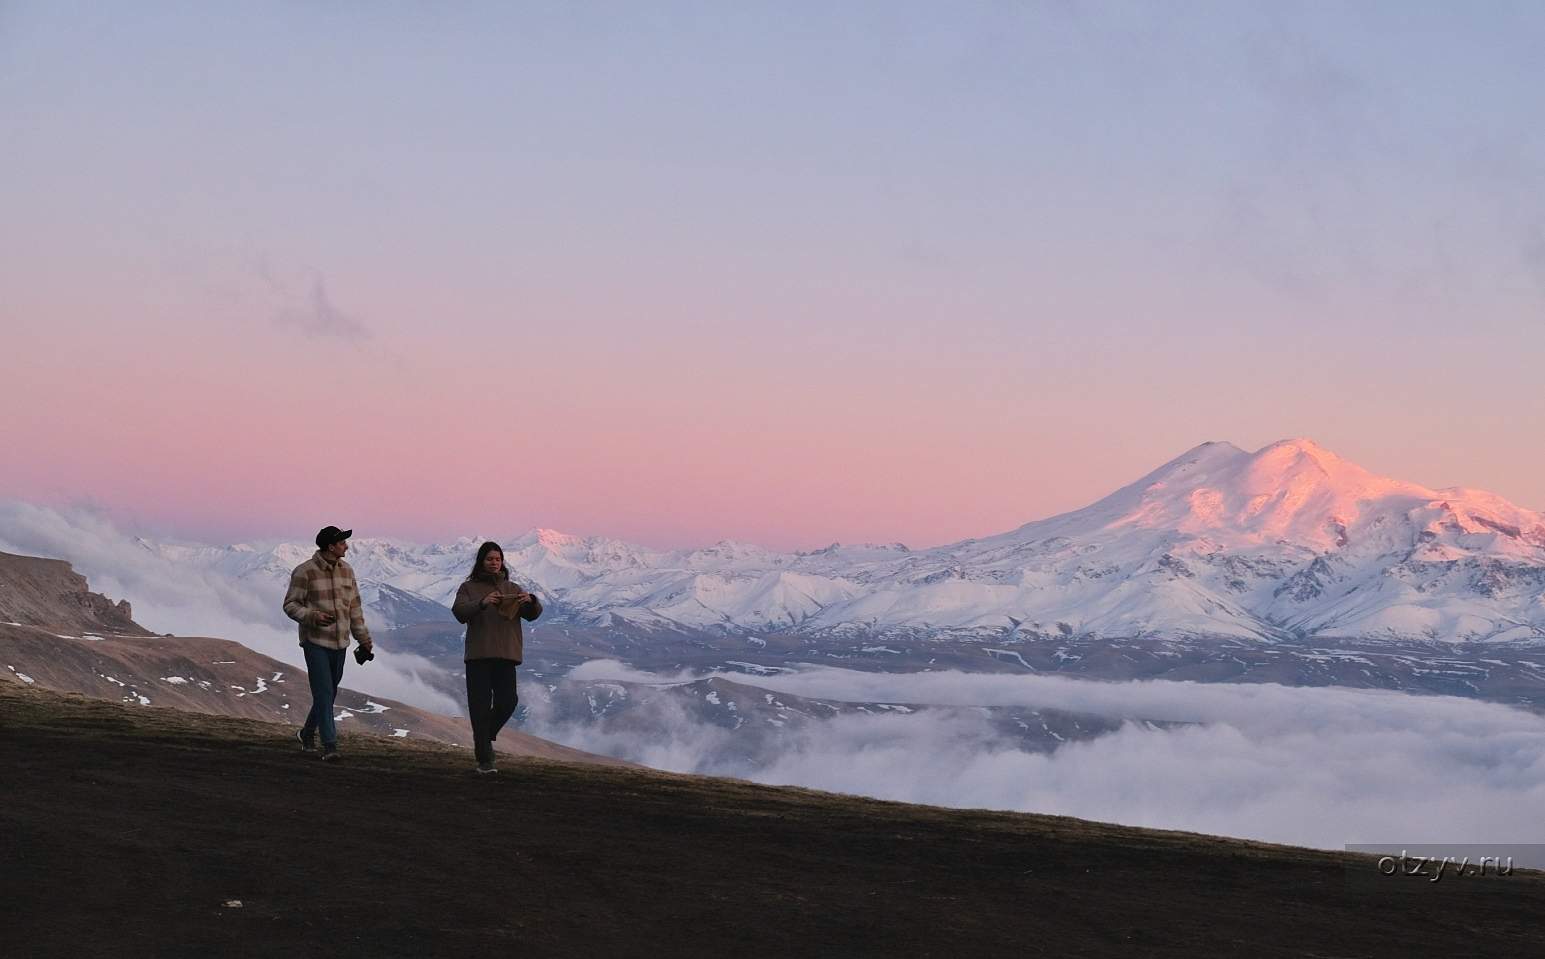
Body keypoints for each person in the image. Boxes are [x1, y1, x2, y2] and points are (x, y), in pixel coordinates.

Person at [283, 525, 374, 762]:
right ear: (330, 546)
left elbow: (354, 608)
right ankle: (330, 745)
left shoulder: (347, 571)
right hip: (315, 641)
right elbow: (290, 605)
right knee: (324, 692)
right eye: (342, 542)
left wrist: (363, 639)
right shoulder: (305, 572)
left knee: (328, 693)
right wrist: (312, 616)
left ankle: (306, 733)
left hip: (340, 643)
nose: (346, 545)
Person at [451, 541, 541, 774]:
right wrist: (482, 603)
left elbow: (531, 615)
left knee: (508, 701)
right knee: (479, 708)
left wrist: (531, 601)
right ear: (481, 561)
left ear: (502, 562)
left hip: (506, 655)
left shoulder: (512, 587)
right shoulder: (468, 588)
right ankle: (485, 759)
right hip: (478, 655)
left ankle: (485, 734)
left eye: (497, 559)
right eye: (490, 559)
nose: (494, 563)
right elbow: (459, 612)